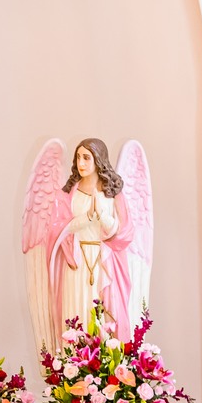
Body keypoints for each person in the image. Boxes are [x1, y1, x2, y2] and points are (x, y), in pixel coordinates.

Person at [54, 138, 134, 334]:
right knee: (76, 313)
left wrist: (103, 216)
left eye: (86, 158)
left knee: (101, 317)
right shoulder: (70, 192)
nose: (81, 163)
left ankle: (102, 354)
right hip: (76, 261)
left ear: (98, 160)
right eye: (78, 157)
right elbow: (60, 230)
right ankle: (74, 354)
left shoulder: (112, 193)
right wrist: (88, 217)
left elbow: (123, 233)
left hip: (103, 262)